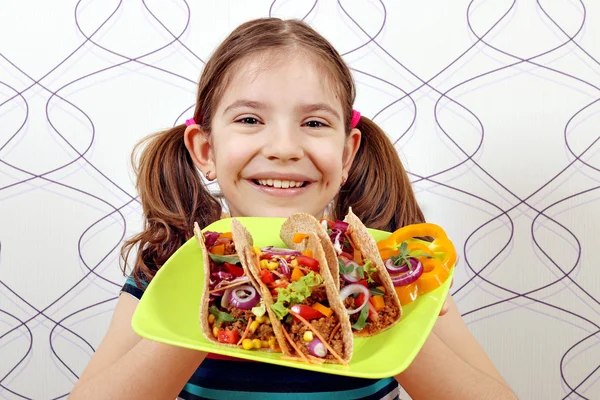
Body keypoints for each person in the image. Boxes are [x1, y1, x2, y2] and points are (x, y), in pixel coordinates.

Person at [69, 18, 516, 400]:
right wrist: (214, 302)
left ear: (346, 156)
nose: (284, 148)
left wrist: (390, 310)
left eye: (314, 123)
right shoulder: (162, 270)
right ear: (205, 150)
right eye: (249, 120)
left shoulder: (406, 277)